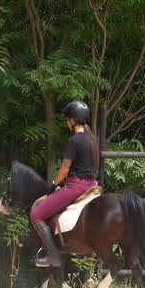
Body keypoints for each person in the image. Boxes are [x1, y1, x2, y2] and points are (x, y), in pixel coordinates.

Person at [30, 100, 100, 267]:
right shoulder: (92, 140)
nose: (67, 122)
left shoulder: (74, 141)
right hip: (92, 186)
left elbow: (64, 170)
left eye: (68, 119)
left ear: (73, 120)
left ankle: (53, 255)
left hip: (76, 187)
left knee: (36, 215)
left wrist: (54, 184)